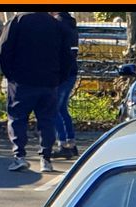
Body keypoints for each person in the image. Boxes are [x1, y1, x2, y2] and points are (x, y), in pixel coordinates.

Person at [0, 10, 74, 172]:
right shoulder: (55, 24)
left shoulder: (17, 21)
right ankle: (46, 158)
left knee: (17, 118)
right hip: (49, 81)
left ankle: (19, 156)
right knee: (47, 120)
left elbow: (3, 49)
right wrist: (59, 77)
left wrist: (9, 74)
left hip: (21, 80)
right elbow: (67, 55)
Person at [53, 11, 80, 160]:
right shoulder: (71, 24)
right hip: (71, 71)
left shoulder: (57, 24)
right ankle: (71, 142)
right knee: (62, 108)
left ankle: (63, 144)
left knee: (54, 108)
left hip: (61, 73)